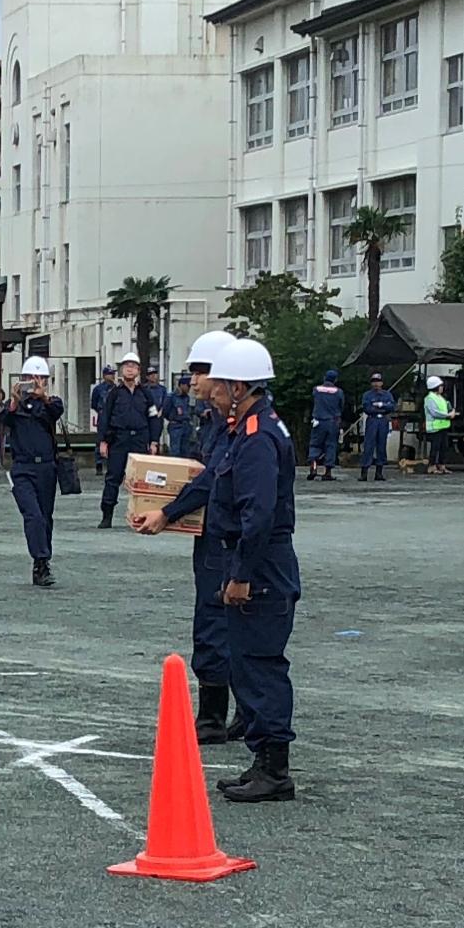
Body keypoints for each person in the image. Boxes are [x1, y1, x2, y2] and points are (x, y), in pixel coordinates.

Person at [132, 331, 243, 744]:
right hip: (216, 534)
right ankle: (240, 712)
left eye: (199, 372)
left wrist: (167, 512)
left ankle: (214, 718)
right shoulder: (215, 422)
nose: (192, 381)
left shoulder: (234, 427)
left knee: (216, 621)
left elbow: (211, 480)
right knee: (224, 622)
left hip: (226, 537)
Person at [206, 336, 300, 804]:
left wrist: (241, 573)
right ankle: (263, 760)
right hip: (257, 560)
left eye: (219, 383)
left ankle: (275, 768)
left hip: (261, 565)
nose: (212, 390)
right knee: (247, 662)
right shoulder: (251, 429)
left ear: (239, 386)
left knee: (261, 665)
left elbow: (257, 514)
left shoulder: (258, 436)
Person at [2, 356, 64, 588]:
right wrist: (14, 401)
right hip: (23, 467)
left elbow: (57, 411)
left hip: (46, 466)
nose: (34, 382)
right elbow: (4, 420)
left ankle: (42, 564)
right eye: (29, 378)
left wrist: (43, 397)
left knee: (45, 517)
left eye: (39, 378)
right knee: (33, 515)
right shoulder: (15, 406)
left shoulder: (50, 404)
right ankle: (39, 558)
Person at [96, 352, 160, 528]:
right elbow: (105, 418)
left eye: (133, 366)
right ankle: (106, 515)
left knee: (141, 481)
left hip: (140, 439)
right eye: (126, 366)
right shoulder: (114, 394)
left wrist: (154, 442)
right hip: (118, 439)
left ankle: (140, 516)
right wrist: (102, 441)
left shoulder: (146, 394)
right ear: (121, 370)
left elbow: (154, 418)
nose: (129, 369)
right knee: (113, 477)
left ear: (139, 370)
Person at [307, 368, 345, 482]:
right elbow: (341, 406)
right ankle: (327, 473)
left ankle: (313, 468)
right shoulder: (339, 392)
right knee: (330, 445)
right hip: (332, 422)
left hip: (318, 421)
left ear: (324, 378)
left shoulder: (316, 389)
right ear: (335, 380)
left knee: (315, 444)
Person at [359, 373, 396, 481]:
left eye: (378, 381)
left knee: (381, 445)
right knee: (369, 445)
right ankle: (364, 472)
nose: (376, 384)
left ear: (382, 383)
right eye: (374, 381)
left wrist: (381, 406)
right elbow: (367, 408)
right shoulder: (367, 395)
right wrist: (382, 407)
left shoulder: (387, 394)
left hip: (383, 420)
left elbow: (391, 406)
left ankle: (379, 472)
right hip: (372, 419)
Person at [424, 375, 454, 475]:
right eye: (440, 386)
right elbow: (434, 412)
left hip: (443, 426)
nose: (442, 387)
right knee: (435, 447)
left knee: (444, 447)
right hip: (435, 428)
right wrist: (447, 416)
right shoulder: (429, 398)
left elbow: (446, 406)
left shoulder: (441, 398)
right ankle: (431, 466)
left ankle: (441, 465)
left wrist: (451, 410)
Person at [164, 374, 195, 458]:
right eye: (188, 386)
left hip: (186, 425)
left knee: (186, 451)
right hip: (176, 425)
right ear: (182, 385)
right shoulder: (171, 397)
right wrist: (173, 418)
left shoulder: (187, 398)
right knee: (175, 451)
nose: (189, 388)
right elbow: (165, 411)